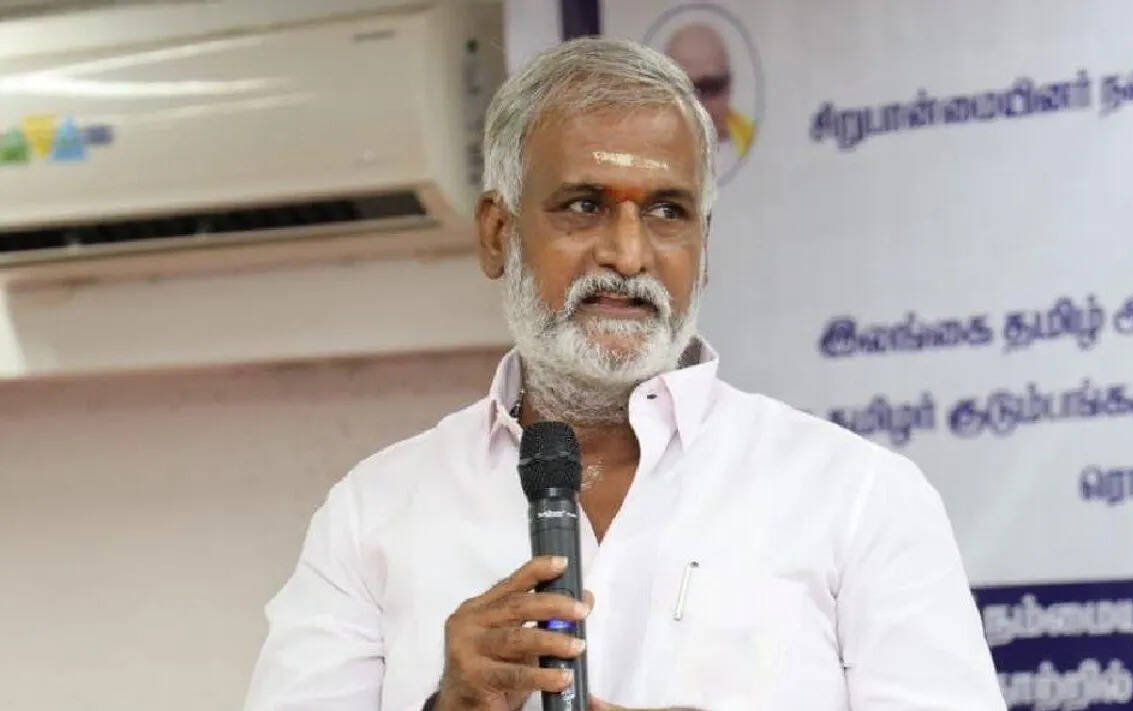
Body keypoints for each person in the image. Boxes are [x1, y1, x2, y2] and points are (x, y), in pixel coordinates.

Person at [244, 37, 1003, 711]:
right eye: (584, 205)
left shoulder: (858, 497)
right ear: (498, 234)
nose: (629, 255)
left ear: (704, 244)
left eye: (668, 212)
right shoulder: (373, 514)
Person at [663, 23, 754, 177]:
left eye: (712, 86)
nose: (700, 103)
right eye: (684, 89)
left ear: (728, 84)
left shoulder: (759, 144)